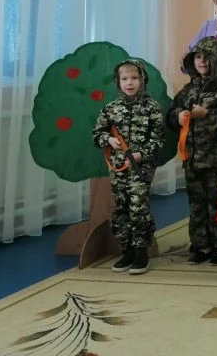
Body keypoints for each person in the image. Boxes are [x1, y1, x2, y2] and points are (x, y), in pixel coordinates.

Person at [166, 41, 217, 266]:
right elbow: (171, 114)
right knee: (196, 205)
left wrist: (206, 113)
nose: (202, 61)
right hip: (192, 158)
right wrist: (178, 116)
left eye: (207, 57)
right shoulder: (188, 89)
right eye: (198, 57)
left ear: (215, 60)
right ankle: (201, 245)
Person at [92, 59, 166, 276]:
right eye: (124, 79)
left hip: (141, 167)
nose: (129, 83)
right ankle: (127, 251)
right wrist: (108, 139)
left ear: (142, 80)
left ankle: (141, 251)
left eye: (134, 78)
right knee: (121, 207)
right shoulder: (111, 109)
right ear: (118, 82)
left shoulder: (152, 107)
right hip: (118, 167)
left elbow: (158, 139)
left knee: (138, 206)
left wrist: (141, 154)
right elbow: (97, 134)